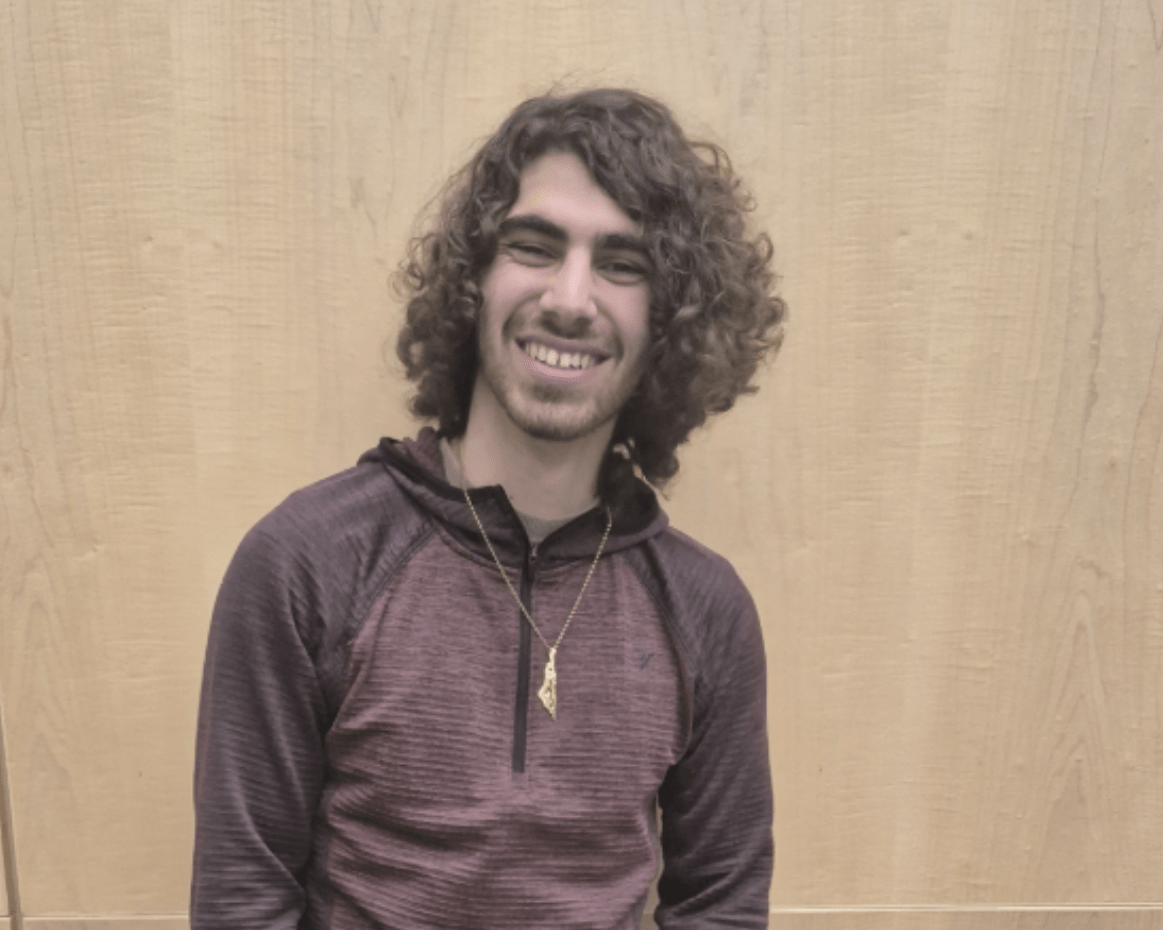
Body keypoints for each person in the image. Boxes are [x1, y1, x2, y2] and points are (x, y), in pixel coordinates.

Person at [191, 87, 785, 930]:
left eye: (623, 264)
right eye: (536, 247)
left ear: (671, 321)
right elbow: (242, 903)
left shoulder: (706, 610)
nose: (572, 299)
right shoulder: (306, 562)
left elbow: (720, 906)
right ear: (474, 279)